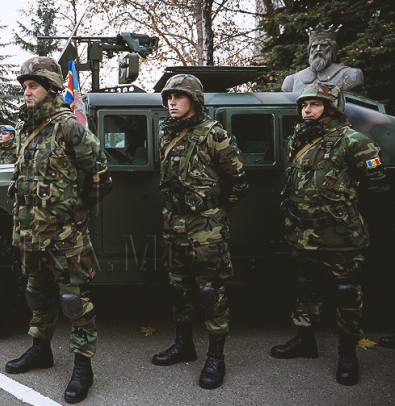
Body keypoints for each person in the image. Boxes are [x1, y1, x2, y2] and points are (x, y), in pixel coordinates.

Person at [4, 56, 112, 404]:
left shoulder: (69, 127)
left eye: (32, 86)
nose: (26, 92)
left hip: (65, 237)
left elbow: (101, 177)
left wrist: (74, 211)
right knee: (37, 295)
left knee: (73, 302)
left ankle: (83, 367)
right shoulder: (23, 129)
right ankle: (40, 350)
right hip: (30, 235)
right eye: (24, 87)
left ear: (51, 88)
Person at [270, 82, 388, 386]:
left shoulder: (354, 142)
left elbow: (377, 187)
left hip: (340, 235)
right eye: (304, 105)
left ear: (332, 107)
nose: (307, 110)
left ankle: (348, 355)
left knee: (346, 293)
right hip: (302, 232)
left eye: (315, 105)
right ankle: (305, 340)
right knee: (304, 286)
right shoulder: (299, 139)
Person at [152, 74, 248, 390]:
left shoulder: (215, 136)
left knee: (211, 292)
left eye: (178, 97)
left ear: (194, 100)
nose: (171, 103)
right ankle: (184, 346)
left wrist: (214, 213)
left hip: (207, 229)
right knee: (177, 289)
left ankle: (216, 358)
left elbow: (237, 183)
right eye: (169, 98)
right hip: (174, 226)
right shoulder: (166, 135)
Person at [282, 24, 364, 93]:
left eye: (324, 46)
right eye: (314, 46)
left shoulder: (351, 74)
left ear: (332, 50)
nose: (318, 49)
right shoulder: (291, 80)